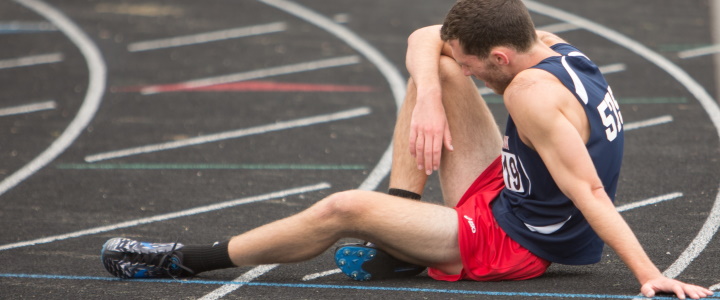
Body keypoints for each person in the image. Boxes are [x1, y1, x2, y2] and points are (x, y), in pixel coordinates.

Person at [100, 0, 713, 298]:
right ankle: (402, 236)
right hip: (508, 194)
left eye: (476, 65)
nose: (470, 73)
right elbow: (427, 37)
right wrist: (426, 93)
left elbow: (591, 192)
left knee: (343, 209)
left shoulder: (531, 94)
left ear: (500, 56)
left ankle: (184, 260)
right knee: (433, 76)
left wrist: (652, 275)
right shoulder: (548, 47)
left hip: (514, 242)